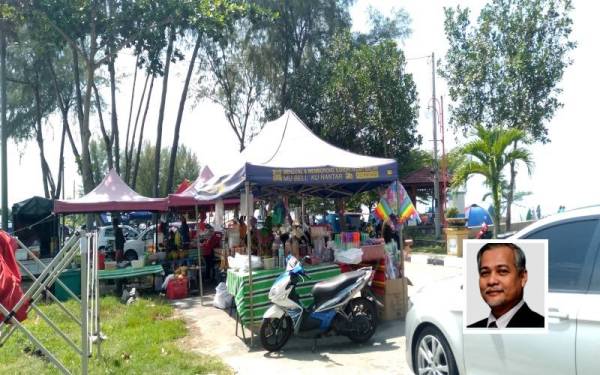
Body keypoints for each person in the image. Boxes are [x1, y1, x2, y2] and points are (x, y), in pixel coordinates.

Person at [468, 242, 544, 328]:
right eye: (485, 273)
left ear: (522, 277)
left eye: (502, 271)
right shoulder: (472, 328)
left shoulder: (539, 326)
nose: (491, 281)